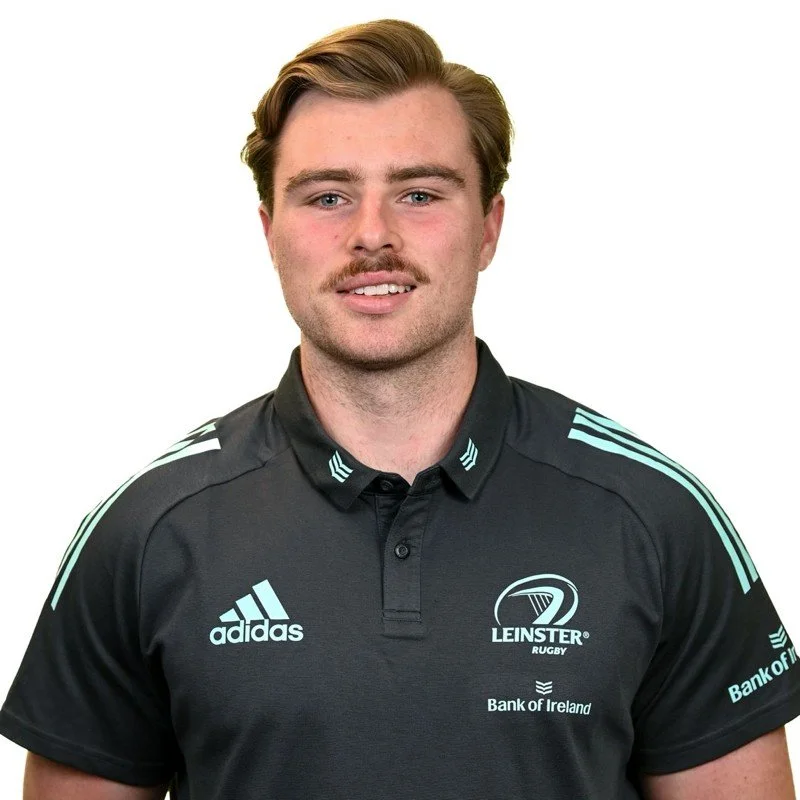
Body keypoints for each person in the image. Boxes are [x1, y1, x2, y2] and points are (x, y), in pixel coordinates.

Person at [1, 18, 798, 800]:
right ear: (270, 233)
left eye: (418, 193)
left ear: (489, 226)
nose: (372, 235)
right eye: (327, 197)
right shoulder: (147, 532)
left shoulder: (655, 517)